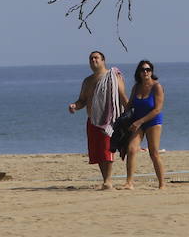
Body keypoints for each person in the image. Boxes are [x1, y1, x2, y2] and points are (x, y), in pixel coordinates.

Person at [68, 50, 128, 190]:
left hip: (109, 119)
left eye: (96, 58)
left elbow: (121, 95)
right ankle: (105, 180)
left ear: (103, 60)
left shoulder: (113, 76)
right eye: (91, 58)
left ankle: (108, 181)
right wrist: (74, 106)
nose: (93, 60)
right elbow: (82, 100)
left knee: (107, 150)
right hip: (93, 119)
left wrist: (130, 112)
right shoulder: (88, 81)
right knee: (98, 152)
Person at [123, 60, 166, 190]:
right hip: (137, 122)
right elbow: (129, 105)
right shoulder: (136, 87)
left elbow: (157, 109)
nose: (145, 72)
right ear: (139, 73)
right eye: (143, 70)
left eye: (148, 69)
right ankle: (129, 182)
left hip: (153, 121)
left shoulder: (156, 87)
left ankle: (162, 184)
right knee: (131, 149)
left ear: (151, 72)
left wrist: (140, 121)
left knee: (153, 153)